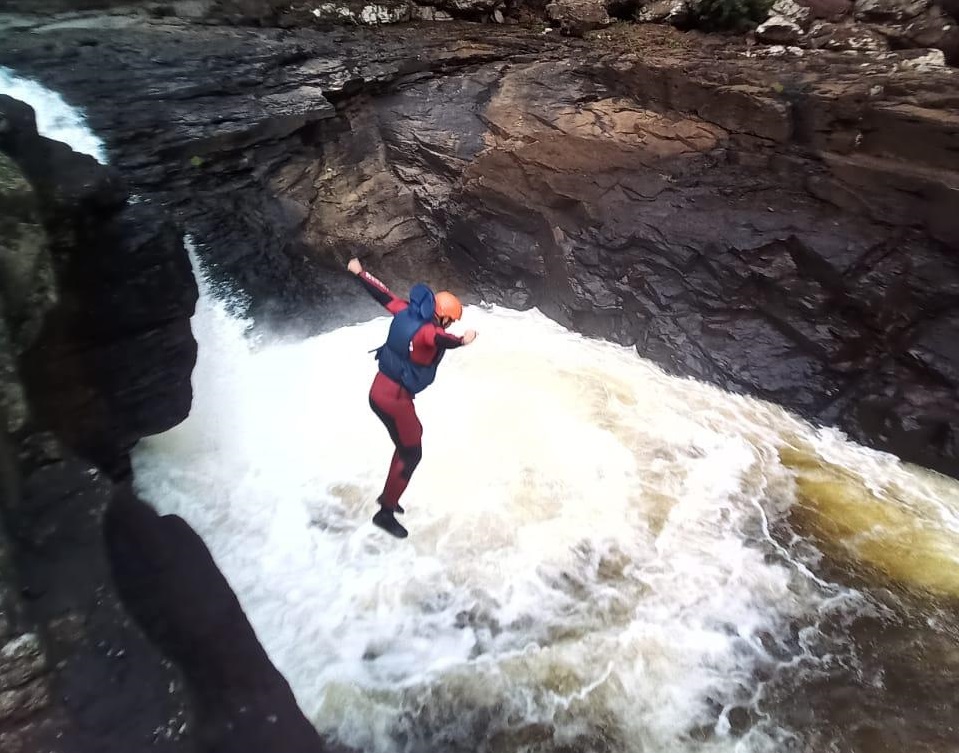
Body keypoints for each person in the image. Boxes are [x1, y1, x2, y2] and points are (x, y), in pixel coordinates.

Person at [347, 257, 477, 539]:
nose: (450, 325)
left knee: (412, 436)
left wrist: (360, 273)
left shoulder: (405, 311)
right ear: (442, 316)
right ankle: (386, 510)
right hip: (394, 399)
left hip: (379, 390)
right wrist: (463, 340)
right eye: (451, 320)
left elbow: (382, 294)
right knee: (411, 452)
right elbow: (443, 341)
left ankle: (391, 495)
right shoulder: (431, 333)